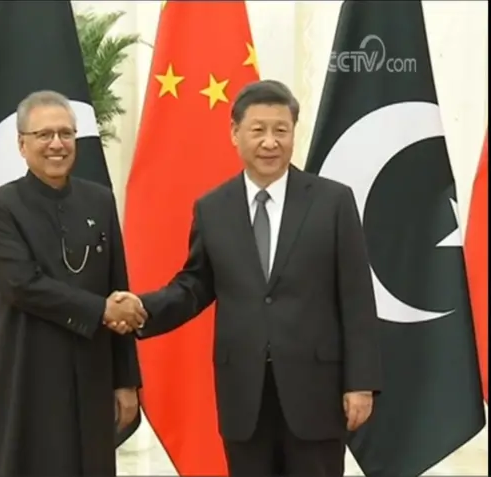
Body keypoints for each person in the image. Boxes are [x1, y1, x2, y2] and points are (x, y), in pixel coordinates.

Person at [114, 80, 383, 476]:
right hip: (244, 391)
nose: (270, 142)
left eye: (281, 130)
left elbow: (357, 297)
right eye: (258, 130)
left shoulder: (333, 202)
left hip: (316, 391)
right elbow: (195, 285)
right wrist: (142, 309)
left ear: (294, 133)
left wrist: (360, 383)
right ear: (235, 133)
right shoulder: (213, 208)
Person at [0, 90, 146, 477]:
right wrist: (100, 310)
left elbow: (117, 286)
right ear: (22, 144)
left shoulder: (99, 200)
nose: (57, 144)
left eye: (66, 134)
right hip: (28, 372)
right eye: (44, 135)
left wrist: (126, 381)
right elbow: (22, 284)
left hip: (92, 371)